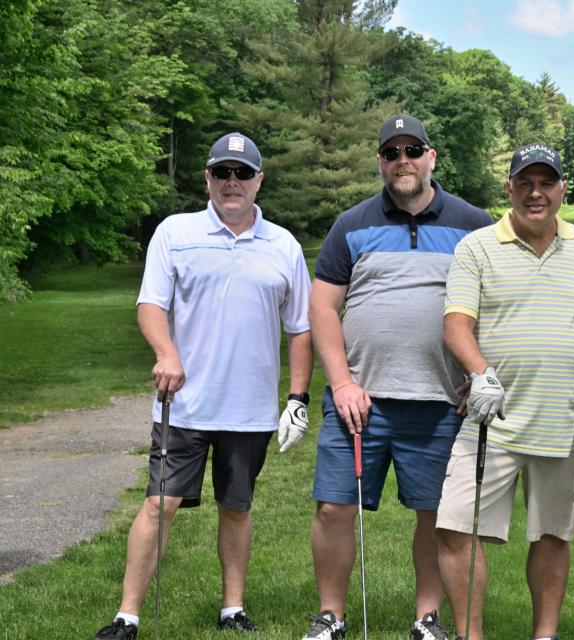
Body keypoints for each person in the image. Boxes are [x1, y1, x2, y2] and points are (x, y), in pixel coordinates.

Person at [93, 133, 314, 640]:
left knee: (236, 508)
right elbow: (152, 304)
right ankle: (127, 616)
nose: (231, 183)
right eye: (222, 173)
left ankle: (232, 608)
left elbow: (300, 326)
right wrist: (166, 353)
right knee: (159, 503)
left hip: (250, 408)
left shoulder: (283, 245)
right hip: (184, 405)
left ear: (260, 180)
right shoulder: (176, 231)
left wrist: (297, 398)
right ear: (207, 179)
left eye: (242, 173)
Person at [305, 115, 492, 640]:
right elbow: (323, 308)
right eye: (392, 152)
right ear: (381, 162)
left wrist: (479, 373)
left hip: (440, 401)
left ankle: (427, 618)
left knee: (436, 516)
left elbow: (496, 302)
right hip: (359, 400)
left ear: (432, 157)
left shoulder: (474, 223)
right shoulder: (352, 223)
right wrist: (341, 383)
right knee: (333, 507)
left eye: (413, 150)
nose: (402, 160)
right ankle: (331, 617)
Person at [437, 143, 574, 640]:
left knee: (552, 536)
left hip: (564, 422)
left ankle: (545, 635)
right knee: (456, 527)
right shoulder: (476, 247)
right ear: (510, 187)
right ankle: (468, 635)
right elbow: (456, 325)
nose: (535, 193)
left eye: (546, 183)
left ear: (563, 189)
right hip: (490, 421)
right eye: (525, 182)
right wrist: (481, 372)